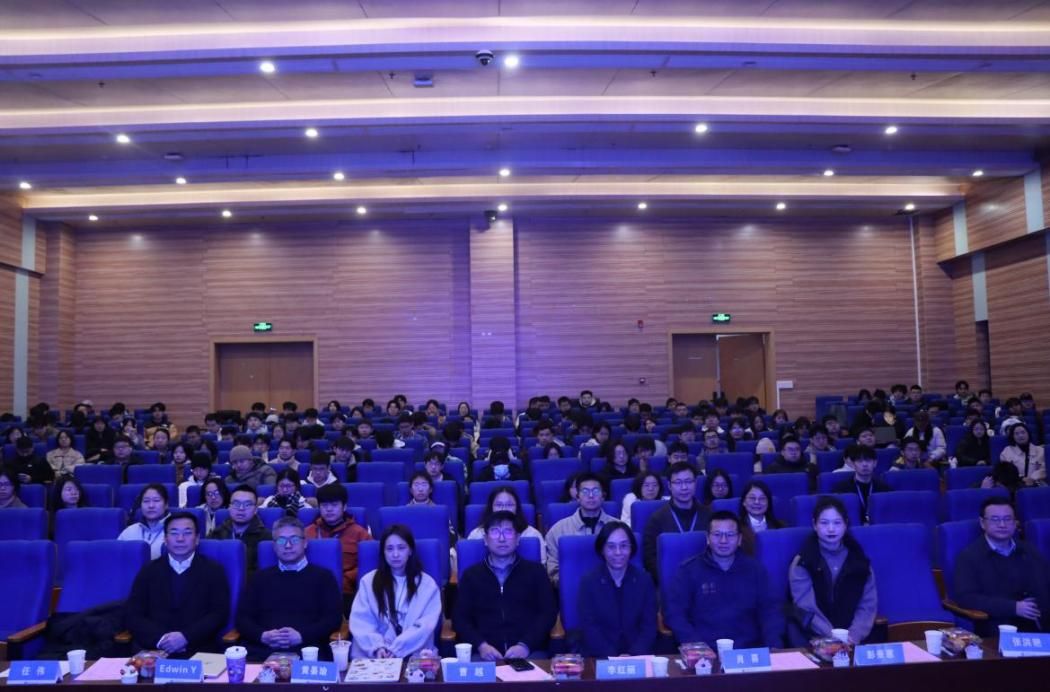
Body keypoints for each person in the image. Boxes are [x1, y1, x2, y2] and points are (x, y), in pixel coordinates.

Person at [665, 511, 783, 648]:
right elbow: (675, 614)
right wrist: (697, 647)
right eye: (717, 534)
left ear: (739, 539)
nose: (723, 541)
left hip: (748, 650)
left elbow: (770, 611)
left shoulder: (755, 569)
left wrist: (772, 646)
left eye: (730, 535)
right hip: (703, 650)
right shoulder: (688, 570)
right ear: (707, 538)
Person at [453, 511, 557, 661]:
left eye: (508, 532)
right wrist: (481, 645)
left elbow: (548, 613)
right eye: (495, 532)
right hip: (483, 654)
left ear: (518, 538)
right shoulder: (471, 575)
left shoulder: (536, 572)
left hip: (530, 652)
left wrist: (525, 645)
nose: (501, 538)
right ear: (485, 539)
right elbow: (460, 618)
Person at [235, 516, 343, 661]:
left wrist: (302, 635)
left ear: (305, 543)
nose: (288, 545)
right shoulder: (259, 578)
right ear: (274, 546)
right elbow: (242, 619)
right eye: (281, 541)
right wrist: (262, 635)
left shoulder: (323, 577)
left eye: (294, 540)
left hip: (308, 651)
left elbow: (333, 619)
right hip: (263, 651)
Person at [126, 512, 230, 656]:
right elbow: (133, 614)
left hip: (199, 649)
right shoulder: (148, 570)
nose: (180, 539)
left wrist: (186, 637)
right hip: (155, 649)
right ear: (165, 539)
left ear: (197, 539)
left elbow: (219, 614)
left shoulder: (214, 570)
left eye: (187, 533)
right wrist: (161, 640)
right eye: (174, 533)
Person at [954, 497, 1050, 634]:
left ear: (1015, 523)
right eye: (995, 519)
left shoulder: (1030, 551)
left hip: (1038, 625)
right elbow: (966, 597)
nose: (1002, 524)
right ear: (982, 523)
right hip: (996, 627)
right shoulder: (969, 557)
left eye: (1008, 519)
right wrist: (1013, 607)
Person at [788, 496, 877, 645]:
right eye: (824, 523)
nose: (831, 529)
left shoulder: (860, 561)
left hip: (853, 640)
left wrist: (853, 636)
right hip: (813, 637)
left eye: (837, 523)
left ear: (846, 524)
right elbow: (806, 607)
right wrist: (834, 638)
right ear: (814, 525)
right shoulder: (802, 561)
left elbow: (868, 605)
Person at [349, 524, 443, 659]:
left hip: (414, 652)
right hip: (376, 655)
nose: (395, 554)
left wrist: (398, 648)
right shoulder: (368, 582)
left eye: (401, 548)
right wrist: (378, 647)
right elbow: (361, 622)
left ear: (410, 550)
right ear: (383, 552)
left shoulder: (427, 585)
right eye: (389, 549)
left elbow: (424, 627)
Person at [577, 521, 657, 657]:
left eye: (624, 546)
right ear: (602, 550)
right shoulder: (589, 582)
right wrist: (612, 657)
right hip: (600, 656)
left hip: (638, 656)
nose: (618, 552)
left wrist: (633, 655)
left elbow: (649, 626)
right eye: (611, 547)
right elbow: (590, 628)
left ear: (632, 548)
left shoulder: (644, 580)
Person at [305, 482, 372, 605]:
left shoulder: (360, 534)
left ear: (344, 507)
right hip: (311, 591)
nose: (329, 509)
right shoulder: (307, 533)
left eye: (334, 505)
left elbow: (369, 564)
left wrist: (346, 578)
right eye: (324, 505)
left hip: (347, 592)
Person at [544, 473, 617, 585]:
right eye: (585, 491)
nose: (591, 496)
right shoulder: (558, 530)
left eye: (596, 491)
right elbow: (553, 569)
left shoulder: (618, 528)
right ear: (577, 497)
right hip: (572, 588)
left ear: (603, 496)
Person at [642, 462, 711, 578]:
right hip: (670, 580)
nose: (684, 487)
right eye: (678, 483)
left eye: (688, 481)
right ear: (669, 485)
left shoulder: (709, 516)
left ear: (695, 483)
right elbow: (650, 559)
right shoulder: (656, 520)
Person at [466, 485, 547, 564]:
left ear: (517, 508)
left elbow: (542, 566)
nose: (504, 509)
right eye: (498, 505)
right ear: (491, 508)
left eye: (509, 505)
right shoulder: (476, 534)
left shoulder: (532, 534)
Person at [210, 485, 271, 573]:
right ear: (229, 507)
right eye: (236, 504)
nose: (241, 508)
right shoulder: (216, 534)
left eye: (247, 505)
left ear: (255, 510)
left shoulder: (267, 538)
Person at [832, 445, 889, 525]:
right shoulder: (841, 490)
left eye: (868, 460)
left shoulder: (885, 489)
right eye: (860, 461)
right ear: (853, 464)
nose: (864, 464)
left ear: (875, 463)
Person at [118, 483, 171, 559]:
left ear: (166, 505)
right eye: (146, 501)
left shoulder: (176, 531)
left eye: (156, 500)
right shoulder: (129, 532)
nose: (151, 505)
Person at [738, 480, 784, 554]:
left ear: (768, 503)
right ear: (744, 502)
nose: (757, 502)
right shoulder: (736, 528)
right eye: (752, 498)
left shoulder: (780, 527)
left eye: (762, 498)